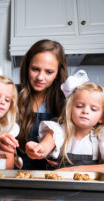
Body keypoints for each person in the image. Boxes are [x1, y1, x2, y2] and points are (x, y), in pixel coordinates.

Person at [26, 70, 104, 177]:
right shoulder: (57, 131)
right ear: (69, 110)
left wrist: (74, 170)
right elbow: (44, 148)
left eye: (93, 109)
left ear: (101, 117)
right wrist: (36, 150)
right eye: (79, 106)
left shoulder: (102, 138)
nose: (85, 111)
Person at [17, 39, 68, 170]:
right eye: (35, 69)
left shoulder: (66, 103)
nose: (40, 77)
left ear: (58, 73)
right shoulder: (10, 95)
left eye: (49, 72)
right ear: (27, 67)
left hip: (49, 175)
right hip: (14, 173)